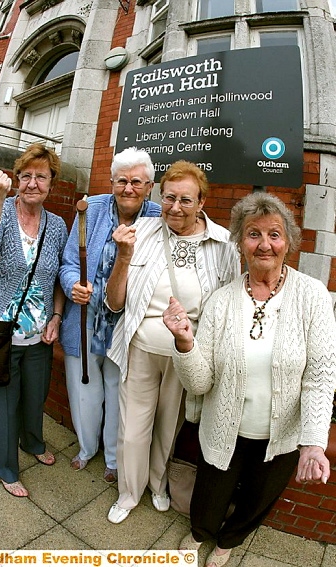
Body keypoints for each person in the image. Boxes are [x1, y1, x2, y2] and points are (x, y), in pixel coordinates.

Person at [163, 191, 336, 567]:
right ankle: (201, 533)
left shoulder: (313, 296)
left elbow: (321, 376)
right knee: (210, 493)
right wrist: (185, 343)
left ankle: (228, 542)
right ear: (240, 242)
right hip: (224, 428)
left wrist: (313, 443)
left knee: (259, 498)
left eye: (274, 234)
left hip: (283, 437)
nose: (264, 244)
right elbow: (200, 383)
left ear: (287, 242)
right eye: (253, 234)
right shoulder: (221, 301)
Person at [105, 160, 240, 524]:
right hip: (140, 347)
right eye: (169, 198)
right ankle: (129, 493)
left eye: (185, 199)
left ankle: (158, 484)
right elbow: (114, 302)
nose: (175, 207)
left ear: (202, 202)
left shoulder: (224, 245)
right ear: (159, 197)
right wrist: (123, 256)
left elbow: (230, 307)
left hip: (186, 355)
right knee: (132, 428)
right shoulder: (141, 231)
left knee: (169, 427)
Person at [0, 143, 68, 498]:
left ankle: (34, 443)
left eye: (41, 176)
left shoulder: (57, 225)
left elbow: (56, 277)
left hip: (37, 333)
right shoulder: (0, 211)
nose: (33, 183)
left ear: (51, 183)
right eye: (26, 175)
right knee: (0, 404)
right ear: (16, 179)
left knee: (34, 396)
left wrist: (56, 315)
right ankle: (6, 466)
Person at [58, 147, 161, 482]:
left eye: (135, 182)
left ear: (149, 186)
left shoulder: (159, 217)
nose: (127, 189)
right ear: (112, 182)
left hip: (126, 324)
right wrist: (74, 284)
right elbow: (70, 263)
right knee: (83, 385)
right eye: (121, 181)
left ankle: (114, 459)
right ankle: (87, 447)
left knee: (119, 392)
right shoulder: (92, 210)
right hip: (84, 320)